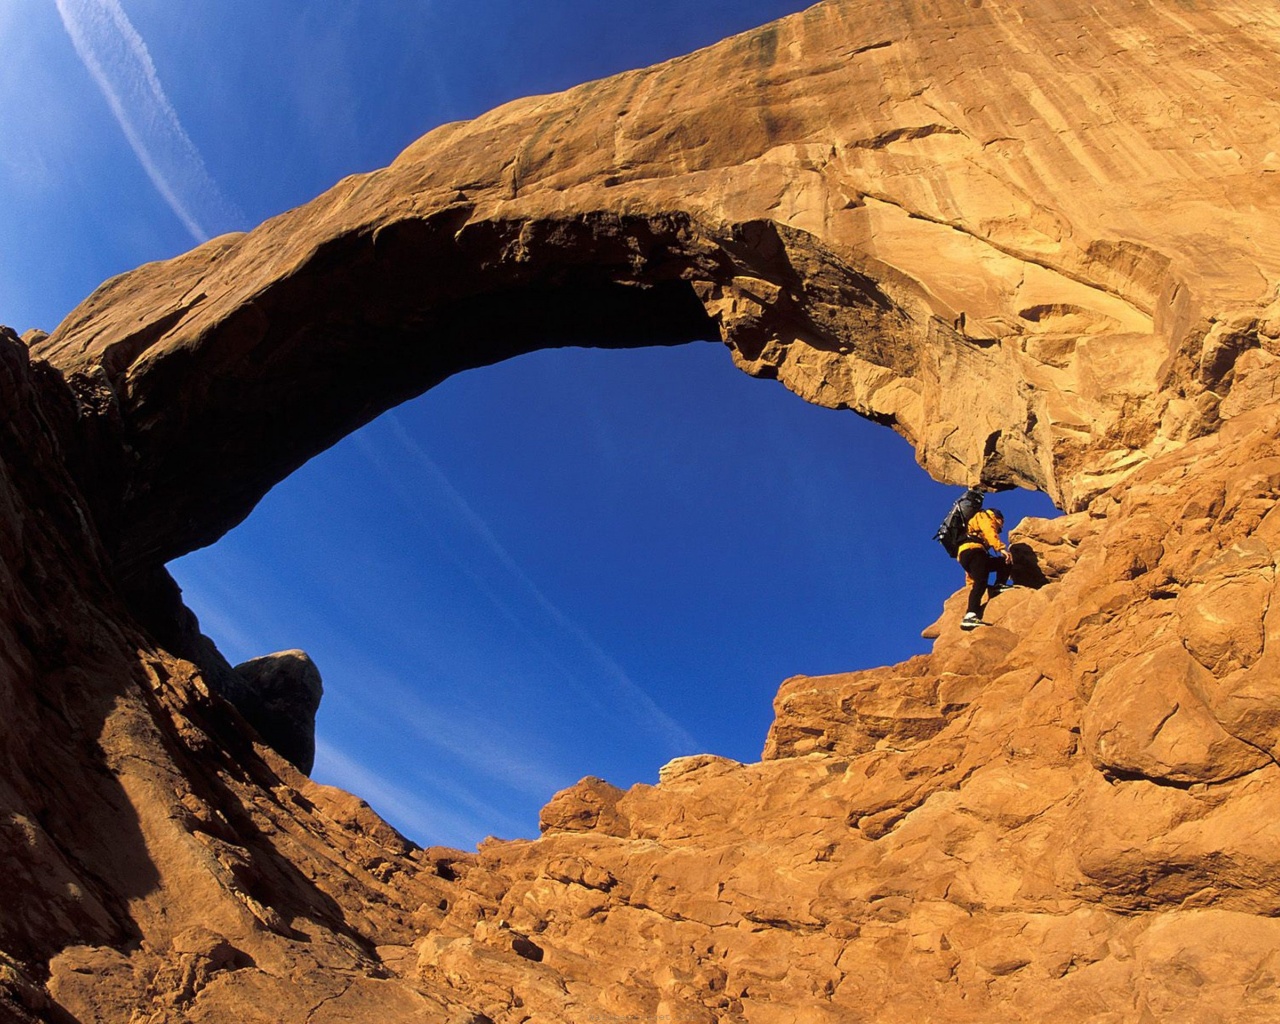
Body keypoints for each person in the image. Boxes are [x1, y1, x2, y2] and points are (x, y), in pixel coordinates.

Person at [957, 507, 1014, 630]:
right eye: (1000, 525)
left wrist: (969, 582)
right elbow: (989, 532)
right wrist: (1001, 548)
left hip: (967, 554)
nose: (999, 529)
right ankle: (970, 616)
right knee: (981, 582)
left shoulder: (975, 524)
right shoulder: (984, 517)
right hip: (975, 551)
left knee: (1002, 562)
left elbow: (972, 569)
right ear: (998, 518)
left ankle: (999, 586)